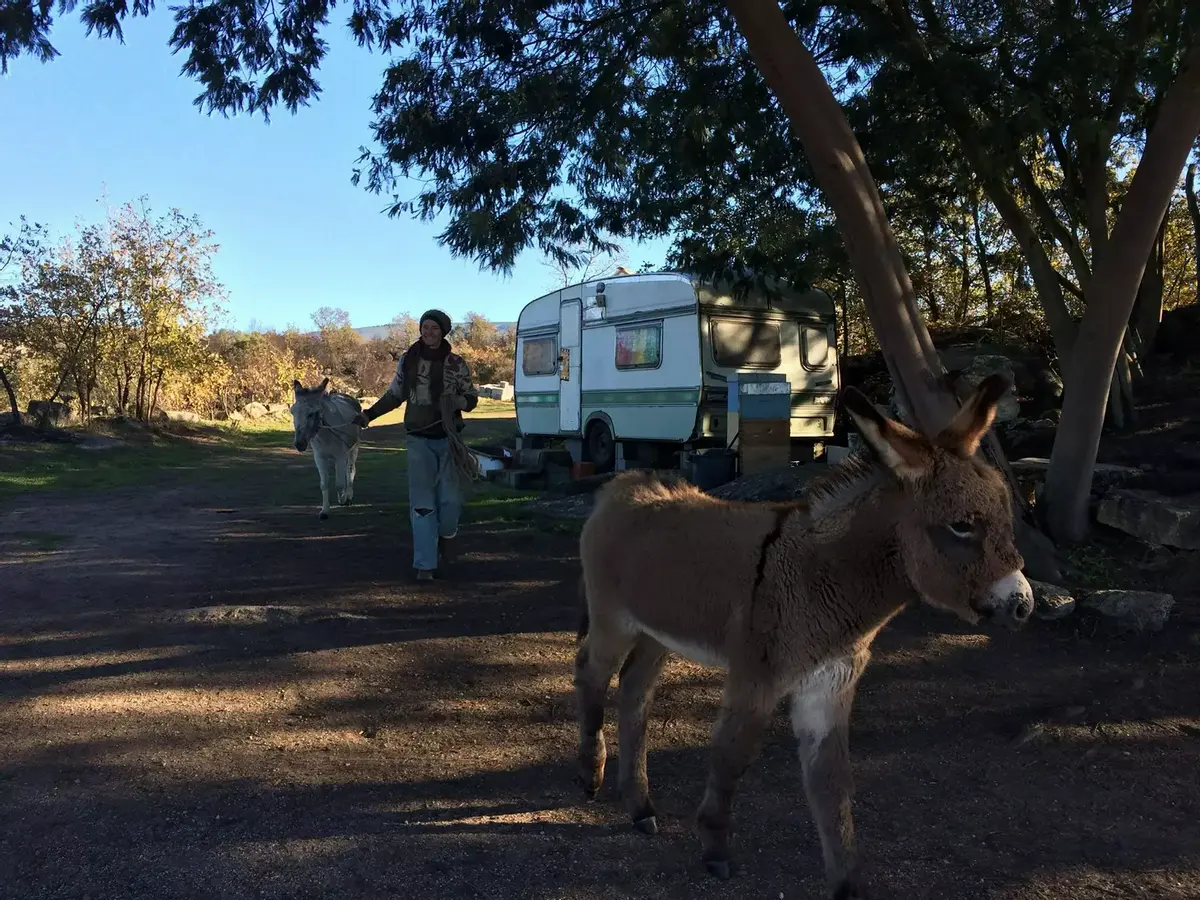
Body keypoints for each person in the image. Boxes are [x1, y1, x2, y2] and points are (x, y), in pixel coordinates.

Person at [354, 309, 478, 581]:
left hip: (449, 439)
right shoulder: (408, 361)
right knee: (423, 503)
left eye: (435, 328)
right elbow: (395, 394)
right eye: (425, 327)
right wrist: (369, 414)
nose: (429, 332)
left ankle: (447, 534)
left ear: (443, 331)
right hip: (418, 438)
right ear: (420, 329)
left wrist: (458, 402)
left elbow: (471, 397)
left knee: (451, 500)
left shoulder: (456, 363)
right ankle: (425, 564)